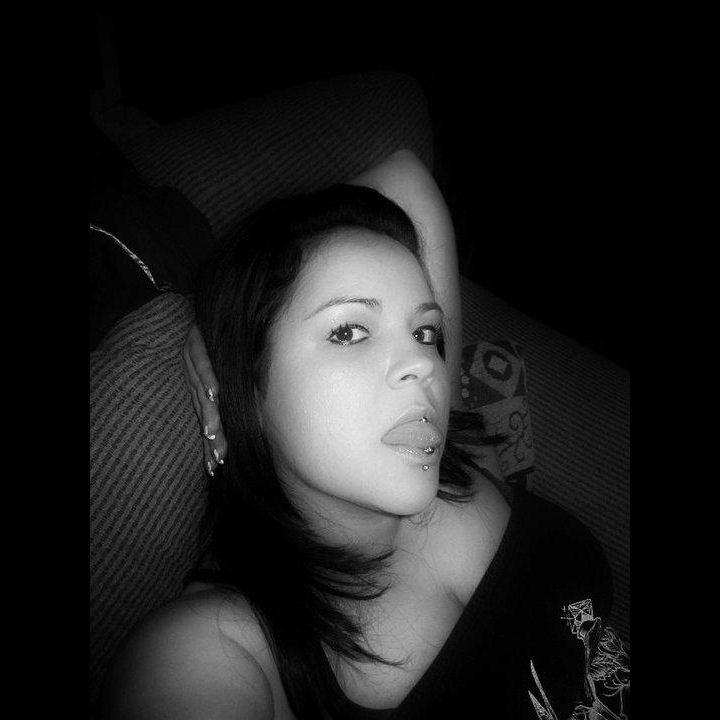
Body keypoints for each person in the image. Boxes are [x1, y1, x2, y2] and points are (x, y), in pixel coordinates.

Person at [96, 150, 629, 719]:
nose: (425, 365)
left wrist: (218, 315)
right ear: (248, 386)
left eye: (425, 332)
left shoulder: (444, 449)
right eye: (350, 331)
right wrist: (232, 321)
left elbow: (405, 177)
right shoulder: (213, 650)